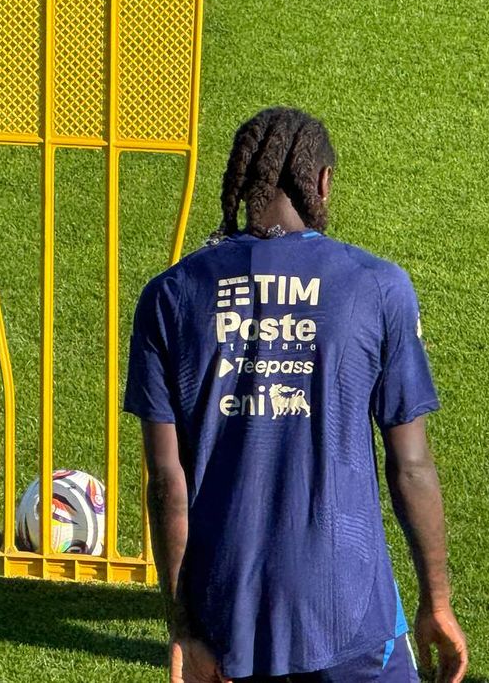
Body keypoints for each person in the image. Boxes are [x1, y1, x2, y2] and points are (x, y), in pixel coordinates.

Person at [125, 107, 468, 683]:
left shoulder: (169, 297)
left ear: (237, 182)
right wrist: (436, 601)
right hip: (349, 610)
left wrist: (183, 624)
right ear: (323, 182)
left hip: (225, 615)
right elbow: (410, 466)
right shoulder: (377, 286)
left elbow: (167, 480)